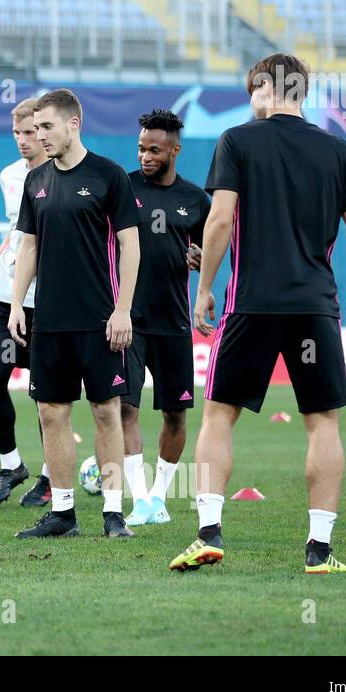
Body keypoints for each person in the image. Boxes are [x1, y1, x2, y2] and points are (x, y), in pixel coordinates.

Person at [172, 53, 346, 575]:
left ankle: (209, 533)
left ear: (263, 87)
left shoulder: (237, 140)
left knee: (219, 415)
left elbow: (219, 221)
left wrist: (205, 288)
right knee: (321, 422)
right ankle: (319, 550)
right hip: (314, 306)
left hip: (249, 304)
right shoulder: (337, 150)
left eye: (251, 90)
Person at [8, 88, 140, 539]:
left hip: (100, 319)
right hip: (49, 319)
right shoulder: (36, 181)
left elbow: (130, 245)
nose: (40, 135)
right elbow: (29, 245)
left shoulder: (109, 175)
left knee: (106, 411)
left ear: (73, 124)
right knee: (50, 412)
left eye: (47, 126)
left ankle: (113, 513)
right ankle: (62, 512)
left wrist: (123, 309)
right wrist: (15, 303)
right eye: (35, 127)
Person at [123, 109, 210, 525]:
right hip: (127, 319)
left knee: (175, 413)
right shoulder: (121, 188)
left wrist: (202, 258)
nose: (145, 156)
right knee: (125, 408)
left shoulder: (196, 199)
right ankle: (138, 499)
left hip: (173, 320)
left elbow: (213, 247)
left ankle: (159, 497)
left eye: (154, 150)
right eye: (141, 148)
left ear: (175, 149)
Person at [0, 98, 50, 505]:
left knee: (46, 393)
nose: (22, 140)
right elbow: (16, 231)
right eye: (16, 132)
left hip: (49, 302)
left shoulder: (63, 175)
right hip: (8, 298)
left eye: (30, 132)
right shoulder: (9, 176)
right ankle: (11, 464)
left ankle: (51, 475)